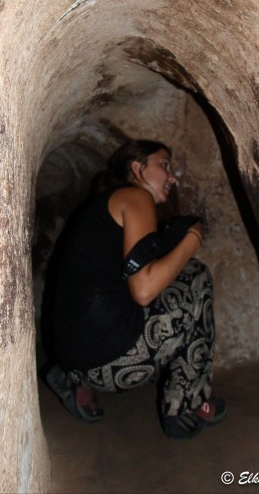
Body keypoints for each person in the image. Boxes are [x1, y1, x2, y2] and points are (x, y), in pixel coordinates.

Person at [45, 139, 226, 439]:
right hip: (118, 366)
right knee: (195, 275)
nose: (172, 177)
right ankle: (186, 402)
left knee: (172, 279)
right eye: (164, 165)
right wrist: (193, 238)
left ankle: (75, 382)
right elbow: (143, 291)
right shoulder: (135, 197)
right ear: (137, 168)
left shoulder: (104, 208)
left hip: (75, 359)